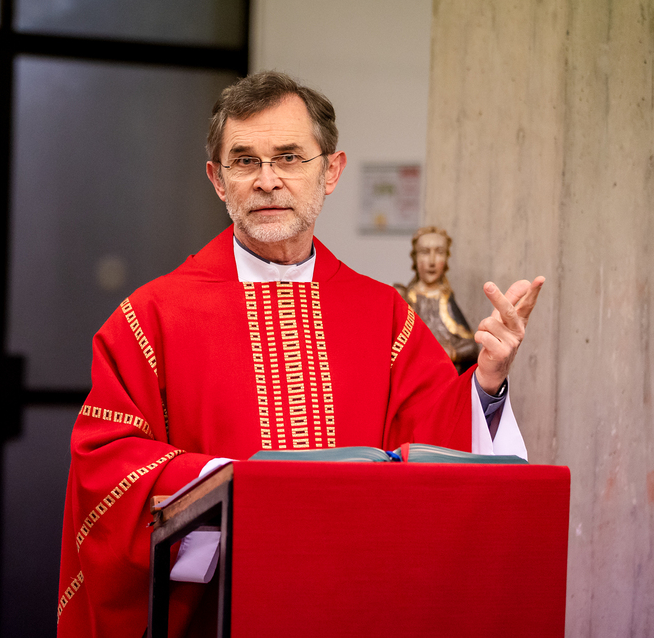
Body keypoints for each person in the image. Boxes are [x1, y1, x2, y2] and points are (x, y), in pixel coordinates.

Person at [55, 71, 545, 637]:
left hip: (358, 606)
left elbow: (434, 437)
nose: (267, 181)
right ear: (218, 180)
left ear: (330, 171)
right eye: (245, 161)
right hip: (218, 611)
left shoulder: (383, 314)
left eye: (289, 157)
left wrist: (486, 383)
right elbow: (105, 462)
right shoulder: (152, 317)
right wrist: (227, 482)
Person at [394, 226, 480, 374]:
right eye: (425, 252)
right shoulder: (406, 299)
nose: (432, 261)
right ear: (415, 257)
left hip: (442, 377)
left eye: (439, 252)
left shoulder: (445, 301)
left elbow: (471, 347)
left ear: (446, 258)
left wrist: (450, 352)